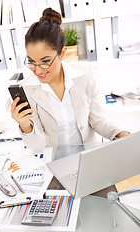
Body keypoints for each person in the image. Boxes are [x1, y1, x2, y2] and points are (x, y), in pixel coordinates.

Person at [11, 8, 129, 153]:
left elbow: (98, 121)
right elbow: (38, 147)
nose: (38, 70)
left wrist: (122, 135)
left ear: (62, 53)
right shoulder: (26, 90)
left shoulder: (85, 75)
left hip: (87, 159)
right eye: (31, 61)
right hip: (52, 165)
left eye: (45, 61)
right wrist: (25, 125)